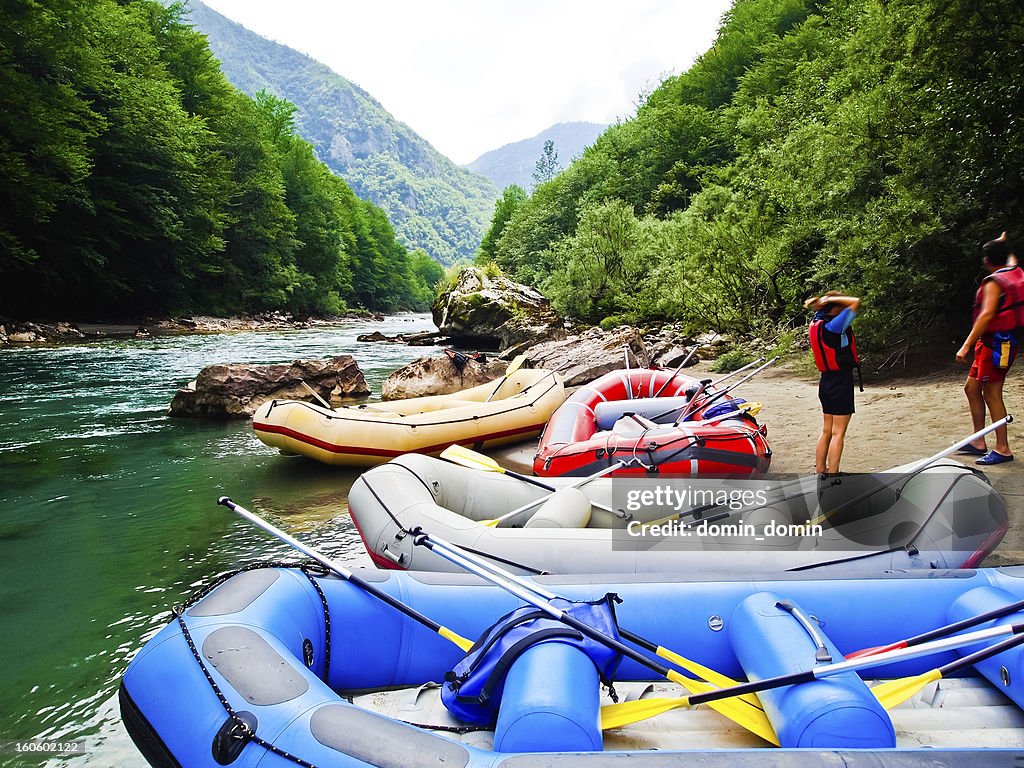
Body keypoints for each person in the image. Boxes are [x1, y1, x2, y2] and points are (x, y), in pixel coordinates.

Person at [956, 232, 1024, 465]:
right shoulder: (1013, 270)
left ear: (986, 260)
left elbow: (986, 315)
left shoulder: (995, 282)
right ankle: (978, 441)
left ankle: (1003, 448)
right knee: (971, 388)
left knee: (992, 394)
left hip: (996, 344)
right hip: (992, 343)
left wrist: (965, 346)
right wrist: (1005, 244)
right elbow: (1011, 259)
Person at [804, 291, 862, 474]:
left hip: (826, 383)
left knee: (827, 430)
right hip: (839, 382)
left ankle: (821, 469)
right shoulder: (833, 326)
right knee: (838, 433)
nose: (845, 310)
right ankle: (834, 473)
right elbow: (855, 302)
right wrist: (832, 299)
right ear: (834, 308)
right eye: (841, 307)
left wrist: (826, 301)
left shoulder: (816, 322)